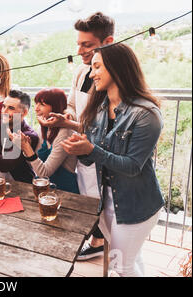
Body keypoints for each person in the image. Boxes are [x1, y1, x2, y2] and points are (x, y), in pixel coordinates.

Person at [61, 43, 164, 277]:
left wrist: (91, 149)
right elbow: (97, 142)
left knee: (121, 266)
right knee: (131, 259)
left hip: (134, 206)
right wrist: (81, 145)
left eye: (97, 66)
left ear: (117, 69)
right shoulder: (99, 108)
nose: (91, 73)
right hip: (107, 201)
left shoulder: (146, 114)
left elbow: (132, 166)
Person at [40, 12, 115, 260]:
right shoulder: (81, 73)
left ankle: (106, 245)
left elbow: (103, 124)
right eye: (79, 44)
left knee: (109, 208)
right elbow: (72, 105)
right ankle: (97, 241)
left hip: (104, 155)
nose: (81, 50)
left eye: (87, 45)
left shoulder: (113, 78)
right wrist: (65, 119)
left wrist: (71, 124)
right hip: (82, 151)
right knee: (89, 200)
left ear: (107, 42)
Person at [10, 88, 79, 194]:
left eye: (42, 104)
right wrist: (26, 147)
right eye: (36, 103)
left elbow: (44, 173)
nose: (36, 108)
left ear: (55, 106)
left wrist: (27, 149)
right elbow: (34, 163)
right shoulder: (44, 128)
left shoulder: (65, 132)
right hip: (44, 190)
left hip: (64, 192)